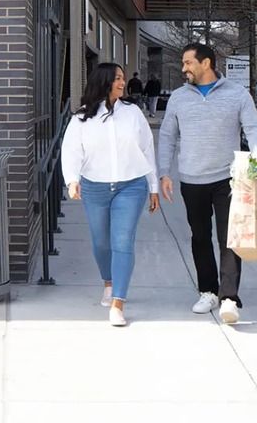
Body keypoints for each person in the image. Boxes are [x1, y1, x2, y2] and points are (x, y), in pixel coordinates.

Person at [157, 42, 257, 326]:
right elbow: (168, 136)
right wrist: (164, 173)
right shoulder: (179, 98)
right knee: (200, 237)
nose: (184, 69)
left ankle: (229, 297)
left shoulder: (237, 94)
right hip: (191, 179)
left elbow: (254, 129)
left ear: (205, 63)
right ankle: (208, 291)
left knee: (230, 239)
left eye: (188, 63)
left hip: (228, 179)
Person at [61, 63, 159, 327]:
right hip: (95, 186)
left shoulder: (132, 112)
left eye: (123, 78)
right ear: (103, 81)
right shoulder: (82, 117)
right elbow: (71, 150)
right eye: (117, 78)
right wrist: (72, 180)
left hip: (131, 186)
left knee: (122, 241)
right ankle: (108, 281)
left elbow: (147, 149)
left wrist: (153, 187)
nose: (122, 83)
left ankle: (118, 302)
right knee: (101, 243)